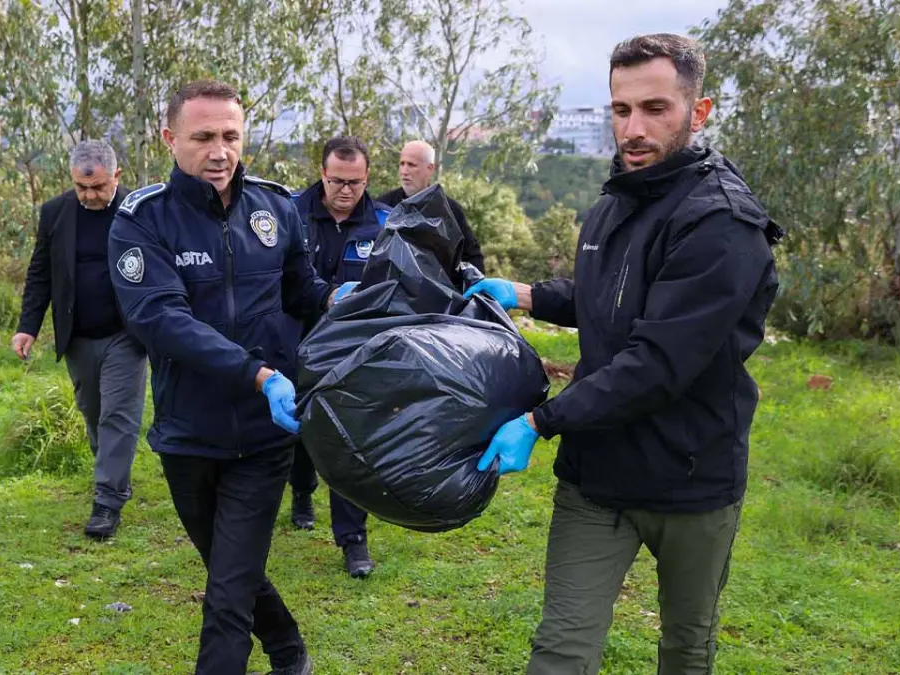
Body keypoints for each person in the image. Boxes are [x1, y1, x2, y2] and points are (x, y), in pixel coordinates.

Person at [465, 34, 783, 675]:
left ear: (700, 111)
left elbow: (657, 362)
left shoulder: (721, 225)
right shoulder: (617, 201)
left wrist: (538, 422)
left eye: (655, 108)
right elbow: (608, 299)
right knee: (560, 651)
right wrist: (525, 294)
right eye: (620, 109)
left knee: (686, 649)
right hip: (597, 477)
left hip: (689, 480)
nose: (633, 129)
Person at [108, 80, 342, 675]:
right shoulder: (142, 220)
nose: (220, 151)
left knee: (226, 599)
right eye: (204, 137)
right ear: (170, 138)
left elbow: (301, 292)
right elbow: (160, 319)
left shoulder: (275, 208)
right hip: (189, 434)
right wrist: (258, 374)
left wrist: (343, 296)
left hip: (265, 437)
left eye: (231, 136)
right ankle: (288, 647)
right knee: (230, 570)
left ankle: (277, 657)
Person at [12, 140, 147, 540]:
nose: (89, 196)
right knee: (93, 411)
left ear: (116, 177)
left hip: (126, 332)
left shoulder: (139, 211)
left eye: (98, 188)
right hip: (78, 335)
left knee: (117, 416)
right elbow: (40, 272)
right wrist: (27, 326)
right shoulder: (56, 212)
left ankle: (107, 501)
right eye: (81, 187)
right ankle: (114, 471)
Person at [286, 136, 390, 579]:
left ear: (367, 178)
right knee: (296, 431)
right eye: (336, 181)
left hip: (352, 351)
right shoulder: (287, 213)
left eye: (355, 183)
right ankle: (302, 489)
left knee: (349, 442)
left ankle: (353, 541)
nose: (346, 191)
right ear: (321, 173)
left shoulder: (385, 223)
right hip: (294, 341)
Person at [375, 140, 484, 271]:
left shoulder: (450, 209)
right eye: (402, 164)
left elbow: (472, 256)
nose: (404, 171)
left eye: (411, 165)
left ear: (430, 169)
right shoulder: (383, 206)